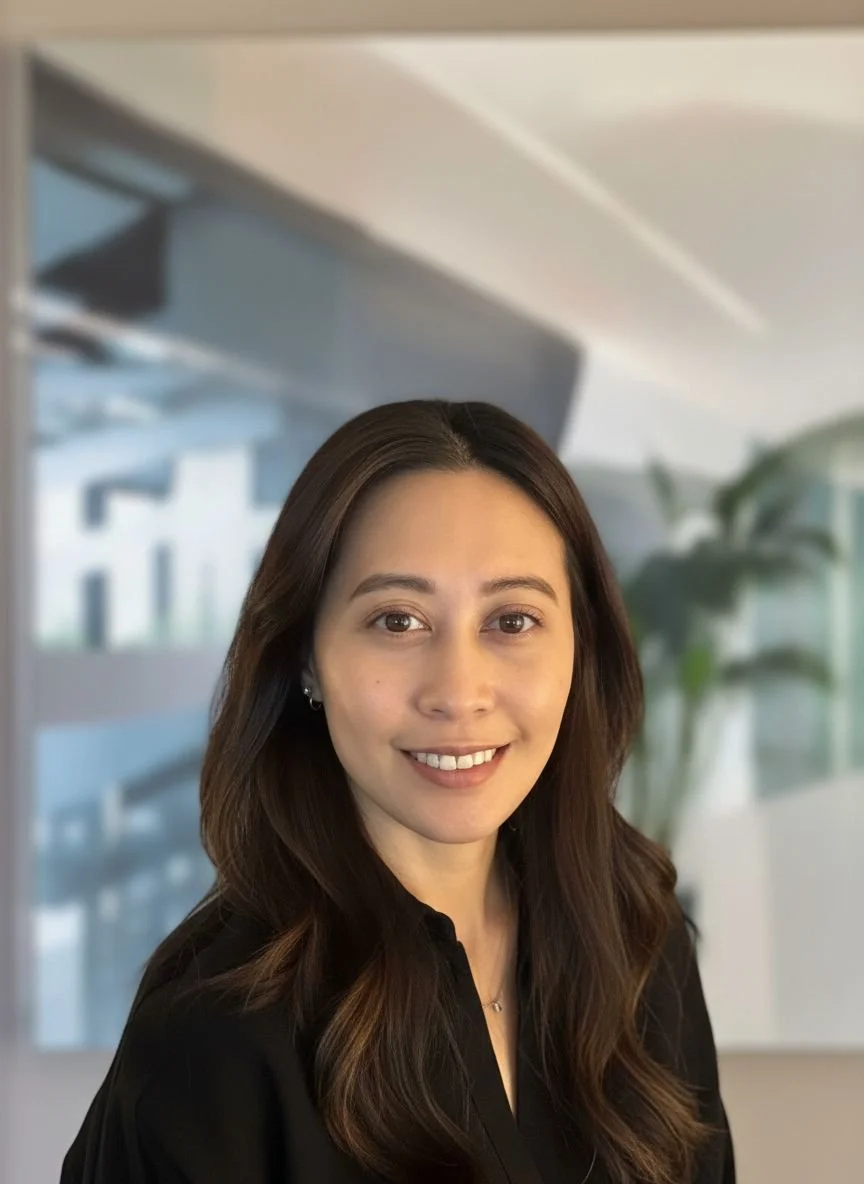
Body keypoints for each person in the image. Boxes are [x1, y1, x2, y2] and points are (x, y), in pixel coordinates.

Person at [61, 399, 735, 1184]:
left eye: (512, 621)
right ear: (306, 657)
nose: (458, 692)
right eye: (397, 621)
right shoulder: (212, 1034)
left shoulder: (639, 945)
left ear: (579, 651)